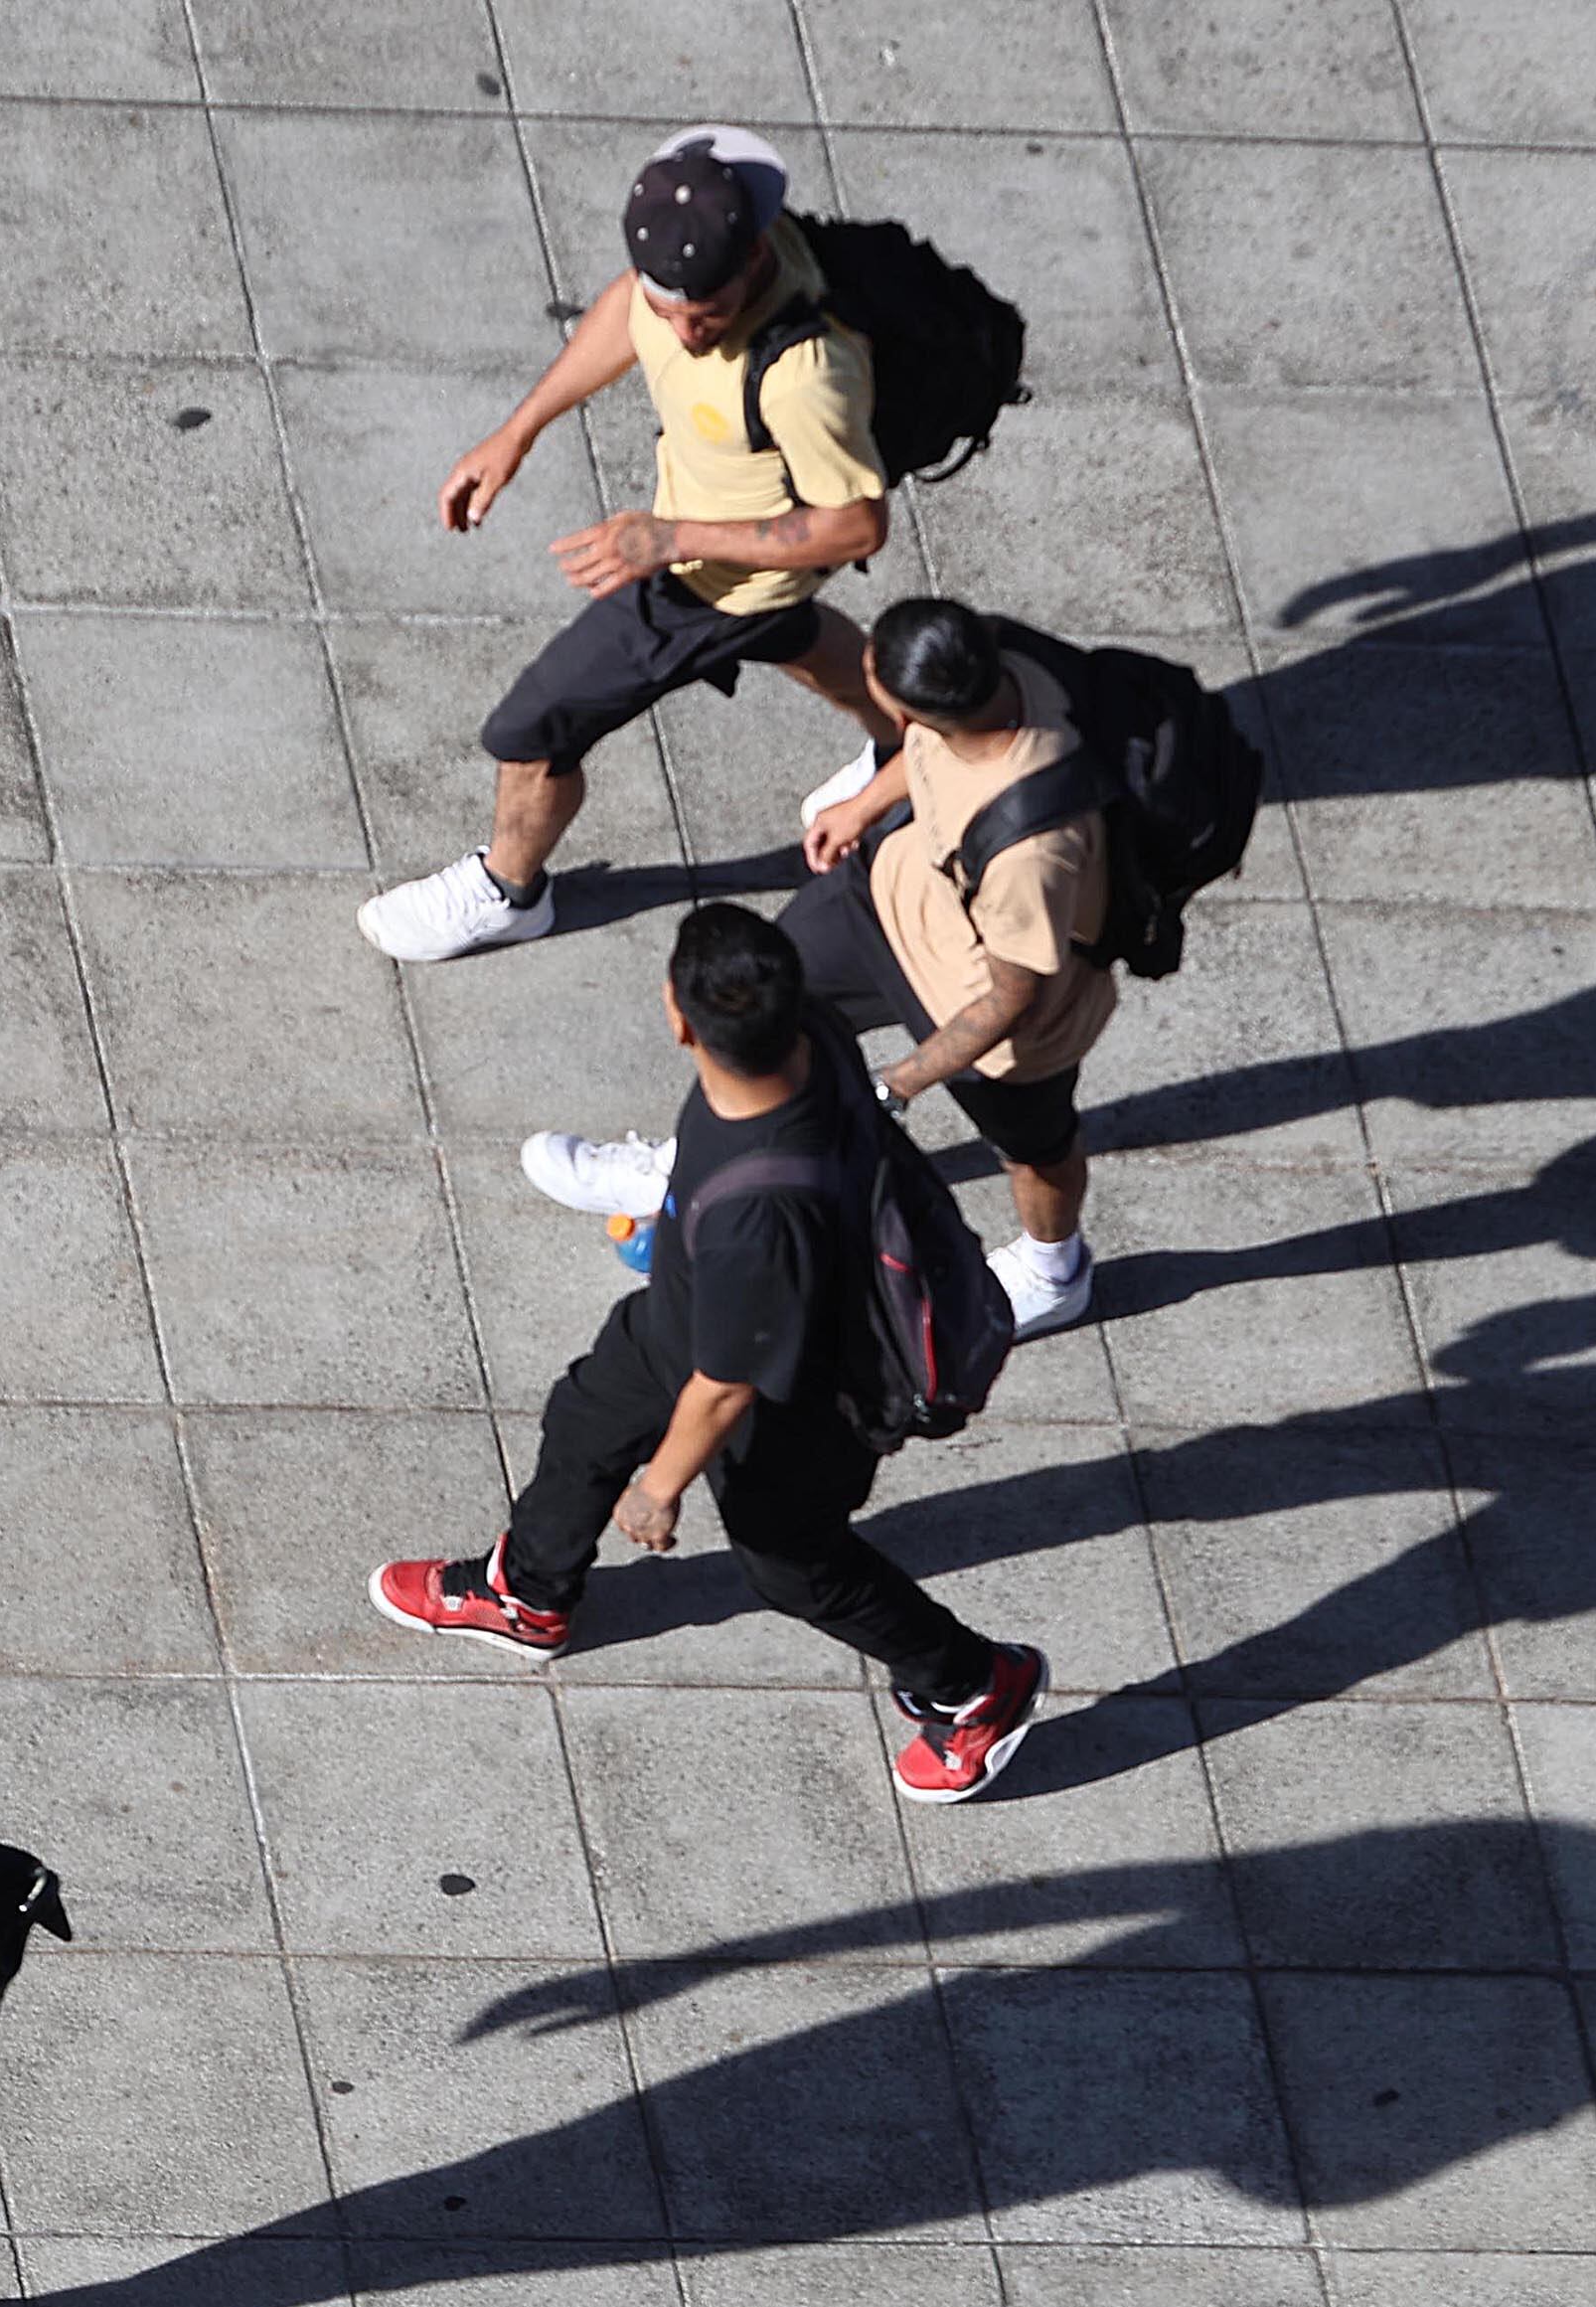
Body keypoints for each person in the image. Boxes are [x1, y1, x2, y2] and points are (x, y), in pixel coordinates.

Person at [372, 904, 1046, 1801]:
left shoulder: (758, 1216)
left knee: (793, 1564)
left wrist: (659, 1490)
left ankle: (975, 1686)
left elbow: (724, 1390)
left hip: (802, 1392)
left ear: (678, 1020)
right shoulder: (813, 1032)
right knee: (585, 1419)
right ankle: (527, 1592)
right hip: (688, 1317)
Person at [360, 123, 899, 966]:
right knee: (789, 632)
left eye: (707, 315)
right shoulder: (685, 276)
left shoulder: (804, 374)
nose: (685, 333)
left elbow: (858, 524)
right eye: (670, 309)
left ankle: (508, 893)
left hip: (710, 581)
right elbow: (625, 309)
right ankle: (912, 743)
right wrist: (517, 433)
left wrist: (668, 539)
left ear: (756, 258)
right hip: (721, 559)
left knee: (536, 727)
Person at [524, 597, 1113, 1340]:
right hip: (885, 900)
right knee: (753, 1002)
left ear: (911, 706)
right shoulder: (993, 675)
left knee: (1036, 1151)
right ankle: (690, 1165)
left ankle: (1055, 1273)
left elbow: (1011, 998)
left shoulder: (1032, 849)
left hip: (982, 1003)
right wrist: (865, 805)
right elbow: (932, 748)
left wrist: (899, 1082)